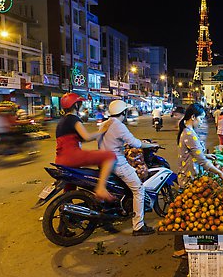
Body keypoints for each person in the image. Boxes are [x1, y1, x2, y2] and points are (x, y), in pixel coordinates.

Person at [173, 103, 223, 258]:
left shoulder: (189, 131)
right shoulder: (188, 133)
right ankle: (180, 248)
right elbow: (202, 161)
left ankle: (185, 246)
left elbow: (196, 154)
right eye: (201, 119)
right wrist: (220, 174)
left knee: (189, 211)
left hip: (191, 174)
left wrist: (207, 156)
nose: (202, 122)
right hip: (189, 178)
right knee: (186, 212)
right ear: (193, 117)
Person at [98, 100, 158, 236]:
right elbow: (135, 143)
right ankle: (138, 226)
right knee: (139, 190)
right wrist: (151, 145)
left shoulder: (104, 124)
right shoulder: (118, 125)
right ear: (123, 113)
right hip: (117, 163)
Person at [55, 93, 116, 202]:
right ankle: (101, 188)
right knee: (109, 156)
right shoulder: (73, 119)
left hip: (60, 159)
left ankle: (66, 209)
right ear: (76, 105)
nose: (82, 105)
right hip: (72, 157)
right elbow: (87, 137)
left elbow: (79, 139)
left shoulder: (62, 122)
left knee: (70, 186)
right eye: (80, 103)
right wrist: (102, 130)